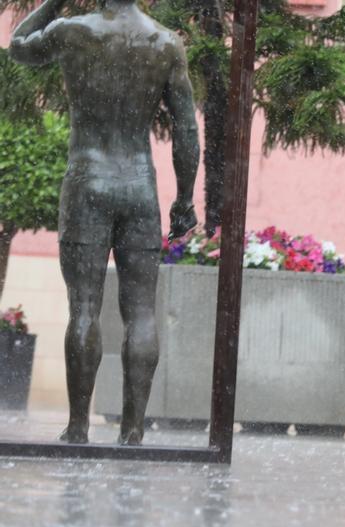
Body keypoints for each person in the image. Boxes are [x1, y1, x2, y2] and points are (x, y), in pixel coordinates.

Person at [10, 0, 200, 446]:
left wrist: (53, 2)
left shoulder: (73, 31)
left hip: (87, 182)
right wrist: (185, 200)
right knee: (140, 312)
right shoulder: (165, 42)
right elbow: (187, 129)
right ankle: (132, 432)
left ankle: (78, 428)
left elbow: (18, 46)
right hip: (139, 187)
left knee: (84, 308)